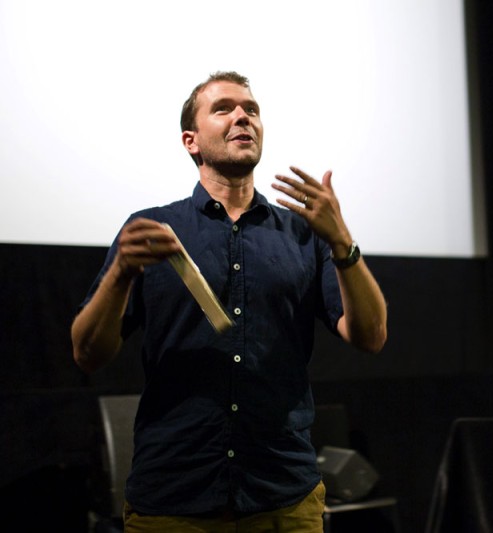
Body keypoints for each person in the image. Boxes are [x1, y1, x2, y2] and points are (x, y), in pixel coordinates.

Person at [71, 71, 388, 532]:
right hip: (174, 499)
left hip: (282, 498)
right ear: (191, 141)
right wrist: (120, 273)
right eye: (224, 108)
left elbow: (371, 336)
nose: (243, 116)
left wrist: (342, 241)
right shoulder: (152, 230)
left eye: (251, 109)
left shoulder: (303, 234)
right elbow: (86, 354)